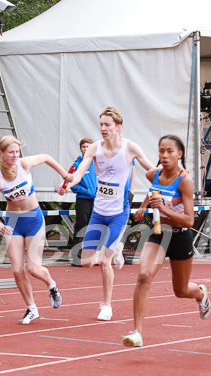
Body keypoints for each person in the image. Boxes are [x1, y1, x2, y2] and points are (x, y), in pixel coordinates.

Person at [59, 106, 154, 321]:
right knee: (86, 262)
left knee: (104, 262)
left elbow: (151, 170)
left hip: (118, 213)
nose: (102, 128)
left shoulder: (130, 148)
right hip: (98, 213)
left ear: (119, 128)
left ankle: (106, 305)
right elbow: (79, 172)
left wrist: (171, 176)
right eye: (101, 124)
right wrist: (65, 184)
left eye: (107, 125)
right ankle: (117, 249)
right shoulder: (94, 148)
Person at [123, 135, 211, 347]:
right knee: (144, 276)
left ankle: (200, 294)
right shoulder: (154, 173)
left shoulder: (185, 182)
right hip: (159, 233)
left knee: (181, 291)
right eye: (161, 151)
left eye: (170, 151)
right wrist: (144, 205)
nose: (164, 155)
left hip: (180, 235)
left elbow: (190, 220)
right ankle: (137, 332)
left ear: (179, 154)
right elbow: (154, 190)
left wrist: (163, 208)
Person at [0, 135, 70, 325]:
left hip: (33, 219)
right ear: (1, 153)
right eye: (11, 152)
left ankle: (52, 285)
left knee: (33, 268)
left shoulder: (24, 164)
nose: (15, 155)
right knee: (17, 270)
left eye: (17, 151)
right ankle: (32, 308)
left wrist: (65, 175)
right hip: (13, 222)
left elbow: (47, 158)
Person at [69, 137, 96, 266]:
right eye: (84, 147)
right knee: (82, 226)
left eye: (88, 146)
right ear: (80, 149)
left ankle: (92, 256)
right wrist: (87, 191)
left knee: (95, 227)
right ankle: (76, 256)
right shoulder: (76, 165)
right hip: (83, 200)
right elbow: (72, 185)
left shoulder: (98, 164)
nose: (86, 149)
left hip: (97, 201)